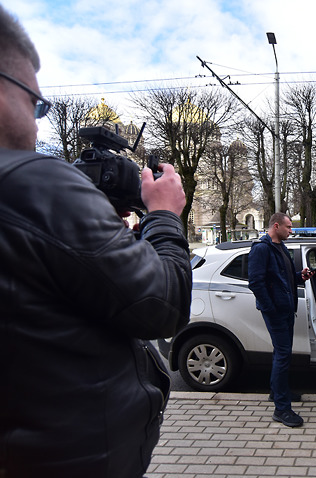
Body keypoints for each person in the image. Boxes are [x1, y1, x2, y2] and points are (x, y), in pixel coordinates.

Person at [0, 6, 192, 477]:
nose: (41, 123)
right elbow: (161, 305)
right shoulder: (32, 184)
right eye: (36, 103)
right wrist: (165, 215)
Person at [247, 212, 313, 428]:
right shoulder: (261, 249)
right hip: (277, 312)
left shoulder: (281, 248)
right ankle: (281, 409)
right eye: (288, 227)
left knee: (281, 353)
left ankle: (277, 392)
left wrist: (299, 276)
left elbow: (283, 278)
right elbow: (256, 282)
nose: (291, 230)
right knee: (283, 355)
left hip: (286, 309)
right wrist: (271, 309)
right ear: (276, 226)